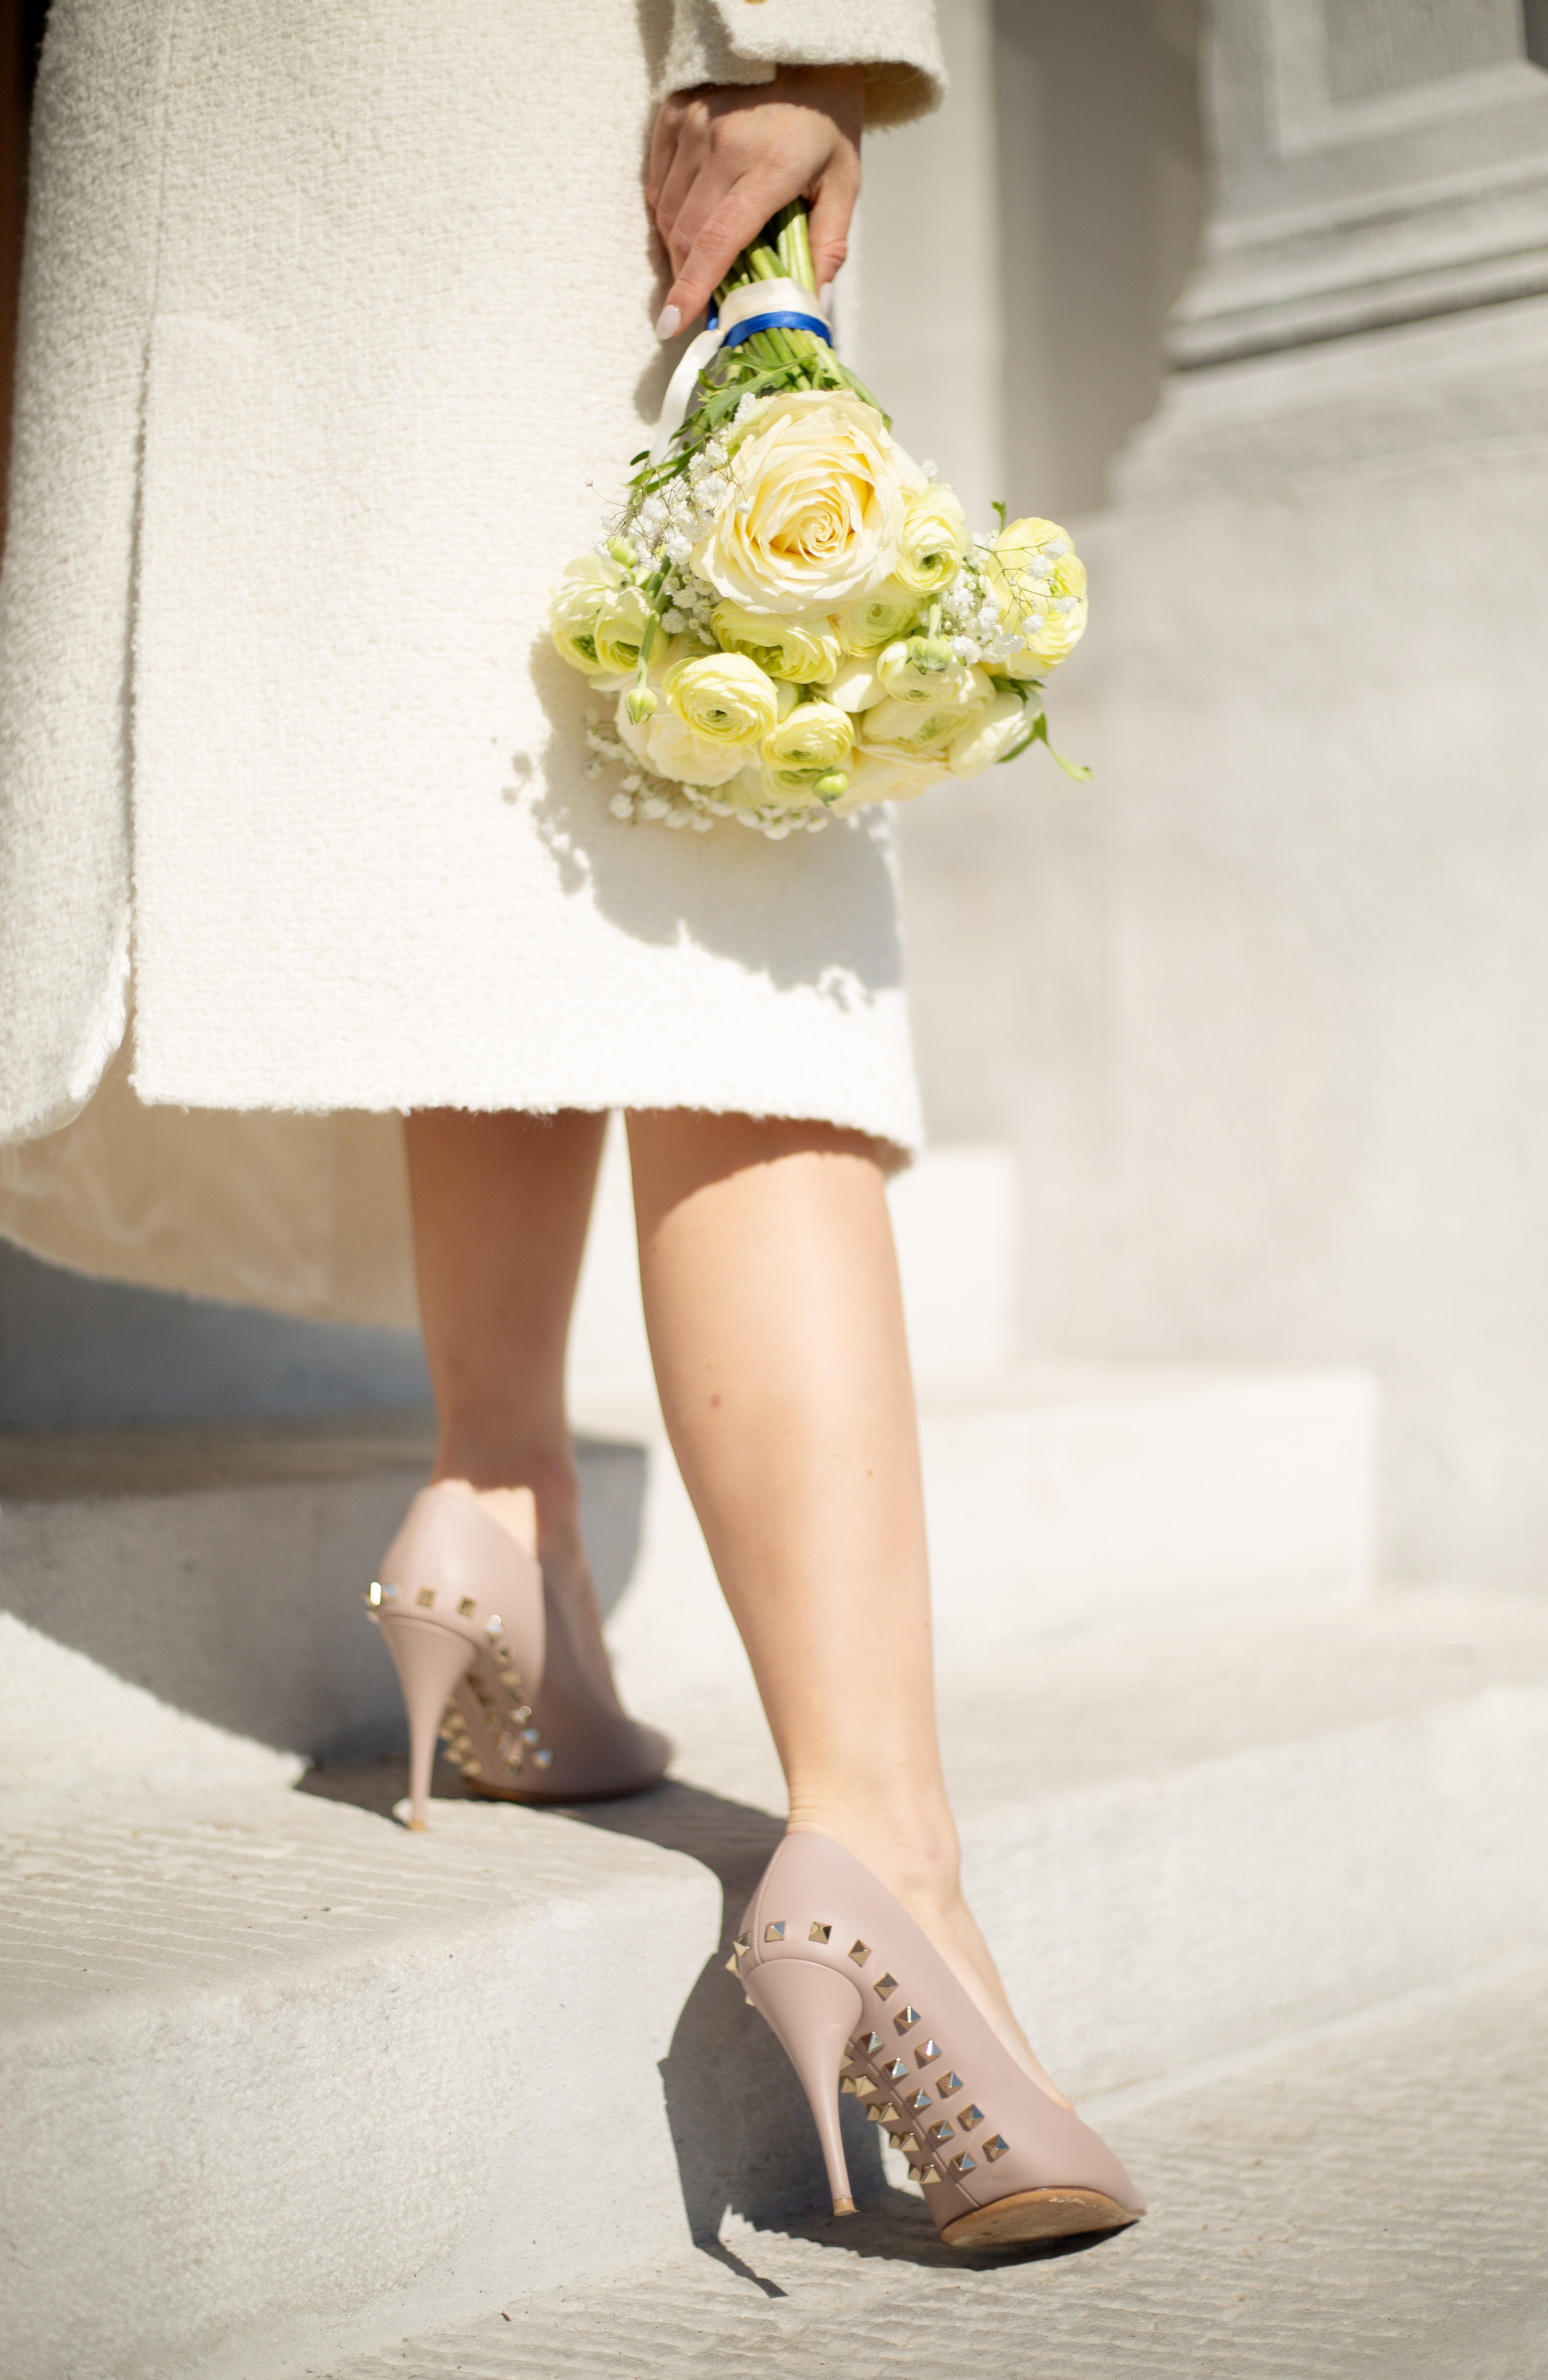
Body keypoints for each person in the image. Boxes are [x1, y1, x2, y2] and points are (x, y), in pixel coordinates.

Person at [0, 1, 1140, 2247]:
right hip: (548, 99)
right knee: (728, 870)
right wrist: (821, 42)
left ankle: (499, 1512)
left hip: (244, 110)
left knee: (500, 844)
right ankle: (878, 1843)